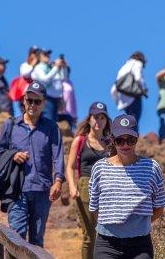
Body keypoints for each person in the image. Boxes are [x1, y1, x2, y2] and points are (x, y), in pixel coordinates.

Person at [0, 81, 65, 246]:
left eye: (37, 101)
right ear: (24, 100)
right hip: (17, 189)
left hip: (42, 190)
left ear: (44, 103)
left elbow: (58, 156)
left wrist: (58, 181)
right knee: (17, 237)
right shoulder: (11, 125)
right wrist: (13, 155)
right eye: (29, 100)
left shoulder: (52, 128)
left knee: (36, 242)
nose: (32, 105)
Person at [89, 114, 165, 259]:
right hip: (106, 244)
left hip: (140, 245)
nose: (125, 145)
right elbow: (95, 208)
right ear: (112, 140)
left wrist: (135, 227)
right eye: (120, 140)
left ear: (137, 138)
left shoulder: (151, 168)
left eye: (130, 140)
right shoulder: (99, 168)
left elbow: (159, 207)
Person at [65, 102, 111, 259]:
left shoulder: (110, 144)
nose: (98, 121)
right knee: (90, 234)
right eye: (95, 117)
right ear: (89, 119)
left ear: (106, 120)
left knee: (106, 234)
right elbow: (70, 166)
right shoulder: (80, 141)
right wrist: (72, 187)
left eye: (102, 117)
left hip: (106, 189)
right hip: (85, 186)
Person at [111, 51, 148, 132]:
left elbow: (114, 88)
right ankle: (133, 139)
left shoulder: (124, 67)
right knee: (134, 121)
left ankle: (126, 137)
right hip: (134, 97)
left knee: (128, 120)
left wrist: (118, 102)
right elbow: (138, 78)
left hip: (123, 98)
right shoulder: (138, 63)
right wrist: (144, 90)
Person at [30, 48, 67, 122]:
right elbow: (45, 79)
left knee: (53, 122)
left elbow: (63, 78)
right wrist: (56, 67)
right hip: (47, 99)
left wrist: (63, 67)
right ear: (39, 56)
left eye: (48, 54)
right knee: (48, 121)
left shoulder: (51, 67)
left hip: (56, 99)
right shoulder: (38, 67)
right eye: (45, 54)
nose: (48, 56)